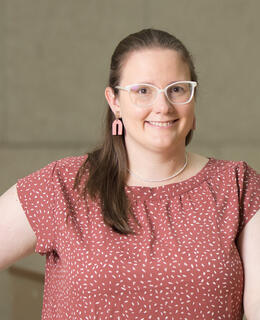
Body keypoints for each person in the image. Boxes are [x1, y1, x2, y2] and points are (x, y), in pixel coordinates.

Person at [0, 28, 259, 320]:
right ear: (115, 102)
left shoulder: (238, 186)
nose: (162, 106)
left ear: (193, 97)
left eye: (177, 89)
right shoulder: (62, 186)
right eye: (143, 91)